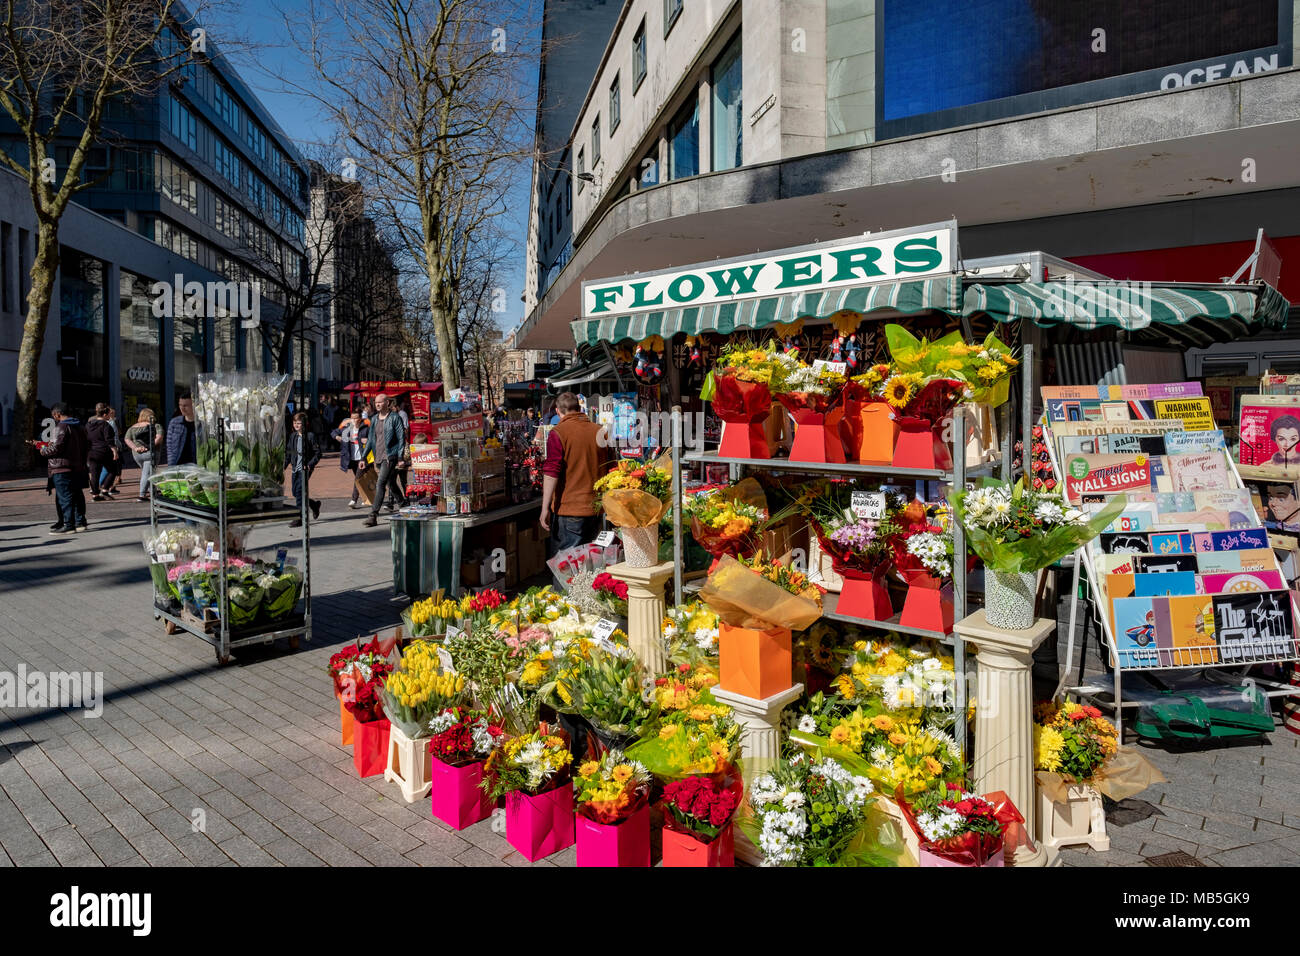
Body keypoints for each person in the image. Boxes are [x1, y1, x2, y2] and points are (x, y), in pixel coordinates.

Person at [540, 391, 611, 551]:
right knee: (591, 562)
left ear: (558, 411)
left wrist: (544, 508)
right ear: (579, 408)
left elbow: (551, 472)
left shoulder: (558, 432)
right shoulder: (600, 431)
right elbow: (611, 469)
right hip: (596, 508)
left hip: (570, 509)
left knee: (567, 565)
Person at [32, 403, 90, 534]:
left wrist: (43, 449)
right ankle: (80, 521)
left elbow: (56, 448)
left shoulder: (61, 427)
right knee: (76, 494)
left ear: (57, 414)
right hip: (77, 466)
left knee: (65, 497)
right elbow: (85, 446)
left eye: (54, 415)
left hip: (61, 467)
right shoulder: (79, 427)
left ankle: (68, 524)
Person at [358, 392, 407, 527]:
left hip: (390, 455)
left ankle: (373, 515)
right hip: (378, 456)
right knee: (391, 483)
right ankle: (403, 504)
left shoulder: (395, 418)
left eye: (380, 402)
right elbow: (370, 440)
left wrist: (400, 457)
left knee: (381, 483)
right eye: (376, 402)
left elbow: (401, 438)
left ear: (387, 403)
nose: (377, 404)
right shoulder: (374, 419)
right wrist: (363, 457)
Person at [287, 412, 322, 528]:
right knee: (296, 492)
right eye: (295, 423)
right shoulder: (293, 436)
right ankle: (314, 505)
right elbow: (289, 452)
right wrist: (284, 465)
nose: (296, 425)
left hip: (305, 468)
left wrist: (310, 464)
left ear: (305, 424)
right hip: (295, 468)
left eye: (299, 423)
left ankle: (299, 518)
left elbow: (318, 453)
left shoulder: (310, 436)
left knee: (299, 492)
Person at [331, 409, 369, 509]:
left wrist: (368, 441)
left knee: (357, 479)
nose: (354, 420)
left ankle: (353, 500)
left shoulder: (365, 429)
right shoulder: (347, 429)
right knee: (360, 480)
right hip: (351, 459)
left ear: (360, 419)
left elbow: (374, 439)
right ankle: (367, 498)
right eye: (352, 418)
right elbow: (333, 432)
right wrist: (336, 437)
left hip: (362, 458)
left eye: (356, 418)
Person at [125, 408, 163, 501]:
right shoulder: (156, 426)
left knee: (147, 472)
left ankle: (153, 492)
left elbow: (127, 439)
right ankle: (142, 495)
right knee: (147, 473)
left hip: (137, 454)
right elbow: (159, 438)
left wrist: (135, 448)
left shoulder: (132, 428)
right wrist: (149, 447)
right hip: (151, 452)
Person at [85, 403, 118, 501]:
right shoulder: (105, 425)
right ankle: (105, 489)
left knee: (94, 474)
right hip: (104, 451)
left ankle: (95, 494)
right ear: (104, 415)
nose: (109, 417)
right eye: (108, 415)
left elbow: (85, 438)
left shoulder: (88, 424)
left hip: (91, 452)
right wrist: (115, 452)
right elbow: (109, 440)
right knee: (113, 470)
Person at [166, 392, 197, 465]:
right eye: (180, 405)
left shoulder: (201, 424)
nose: (182, 408)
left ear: (194, 405)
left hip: (196, 465)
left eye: (185, 405)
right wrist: (171, 464)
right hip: (177, 464)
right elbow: (169, 445)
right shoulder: (174, 422)